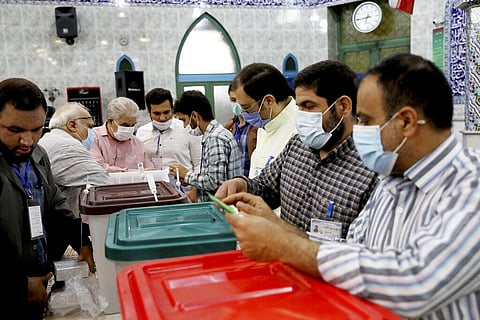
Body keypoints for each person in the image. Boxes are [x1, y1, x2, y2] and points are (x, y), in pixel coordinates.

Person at [222, 53, 480, 318]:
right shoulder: (392, 180)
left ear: (406, 122)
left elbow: (415, 282)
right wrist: (278, 230)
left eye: (366, 120)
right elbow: (352, 252)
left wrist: (284, 246)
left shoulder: (470, 186)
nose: (359, 129)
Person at [216, 60, 377, 238]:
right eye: (299, 107)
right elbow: (266, 187)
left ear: (343, 106)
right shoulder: (297, 146)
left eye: (309, 106)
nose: (301, 116)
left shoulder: (370, 171)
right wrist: (242, 184)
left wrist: (281, 229)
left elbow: (360, 253)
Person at [0, 78, 95, 319]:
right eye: (15, 130)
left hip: (39, 284)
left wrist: (82, 240)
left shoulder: (38, 155)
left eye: (36, 129)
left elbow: (56, 204)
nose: (27, 141)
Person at [38, 102, 110, 218]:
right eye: (89, 127)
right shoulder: (67, 145)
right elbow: (102, 181)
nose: (93, 134)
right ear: (72, 125)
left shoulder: (51, 138)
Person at [169, 90, 242, 202]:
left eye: (183, 120)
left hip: (223, 209)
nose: (184, 126)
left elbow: (214, 182)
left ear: (194, 115)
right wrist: (189, 179)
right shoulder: (212, 135)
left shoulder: (215, 138)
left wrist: (187, 174)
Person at [136, 88, 202, 201]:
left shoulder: (187, 128)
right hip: (152, 194)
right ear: (149, 113)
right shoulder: (141, 133)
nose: (162, 118)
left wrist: (194, 191)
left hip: (184, 194)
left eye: (166, 112)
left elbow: (199, 163)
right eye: (156, 113)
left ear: (172, 109)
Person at [234, 63, 297, 179]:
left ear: (268, 101)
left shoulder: (298, 130)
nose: (242, 113)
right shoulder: (265, 124)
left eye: (246, 108)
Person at [90, 97, 154, 173]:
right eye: (125, 125)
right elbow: (98, 168)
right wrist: (132, 172)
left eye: (133, 125)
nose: (129, 129)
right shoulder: (92, 137)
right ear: (110, 121)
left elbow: (149, 171)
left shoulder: (138, 144)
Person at [223, 82, 257, 177]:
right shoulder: (231, 125)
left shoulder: (257, 126)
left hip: (252, 181)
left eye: (240, 100)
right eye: (233, 100)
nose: (237, 104)